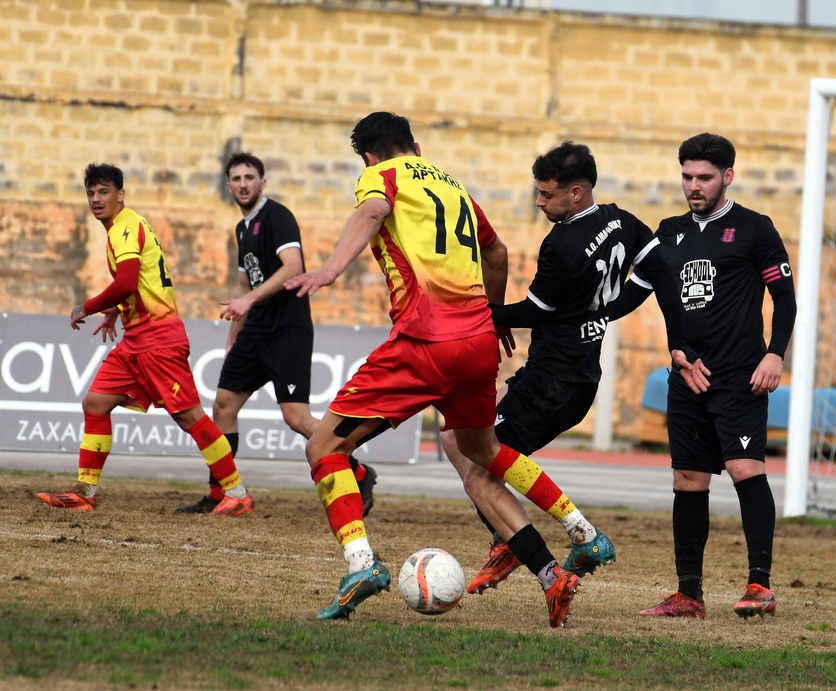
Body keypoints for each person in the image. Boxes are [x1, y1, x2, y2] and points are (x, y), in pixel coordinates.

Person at [284, 113, 668, 627]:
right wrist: (489, 315)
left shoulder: (382, 176)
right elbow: (496, 250)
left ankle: (361, 564)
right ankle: (574, 544)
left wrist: (330, 269)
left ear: (371, 157)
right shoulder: (452, 185)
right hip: (477, 342)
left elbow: (372, 213)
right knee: (482, 453)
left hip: (424, 343)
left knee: (325, 447)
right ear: (416, 145)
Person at [441, 141, 709, 595]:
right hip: (573, 377)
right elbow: (661, 273)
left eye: (547, 194)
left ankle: (575, 535)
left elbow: (537, 310)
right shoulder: (622, 221)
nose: (539, 202)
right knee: (454, 435)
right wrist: (635, 321)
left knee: (479, 470)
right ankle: (505, 536)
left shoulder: (561, 245)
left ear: (577, 192)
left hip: (554, 382)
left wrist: (474, 315)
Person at [610, 133, 796, 619]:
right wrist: (579, 312)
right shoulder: (667, 232)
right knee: (688, 479)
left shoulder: (755, 229)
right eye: (687, 177)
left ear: (727, 177)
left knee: (743, 469)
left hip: (740, 375)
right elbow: (633, 295)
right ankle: (689, 595)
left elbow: (786, 299)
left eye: (705, 178)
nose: (694, 186)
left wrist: (775, 355)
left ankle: (760, 586)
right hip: (686, 374)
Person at [37, 164, 253, 517]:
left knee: (191, 419)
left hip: (158, 339)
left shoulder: (123, 227)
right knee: (95, 404)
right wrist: (116, 311)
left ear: (120, 195)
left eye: (103, 192)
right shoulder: (128, 225)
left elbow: (126, 281)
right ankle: (85, 492)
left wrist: (88, 307)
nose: (96, 199)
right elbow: (138, 283)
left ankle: (237, 494)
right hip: (136, 339)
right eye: (91, 193)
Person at [174, 152, 376, 515]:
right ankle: (224, 494)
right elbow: (242, 282)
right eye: (235, 179)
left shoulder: (277, 216)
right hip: (254, 332)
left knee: (296, 418)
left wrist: (248, 301)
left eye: (249, 177)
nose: (242, 184)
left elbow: (293, 268)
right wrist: (234, 334)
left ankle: (358, 472)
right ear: (229, 186)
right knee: (223, 405)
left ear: (262, 183)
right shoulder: (242, 228)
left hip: (287, 330)